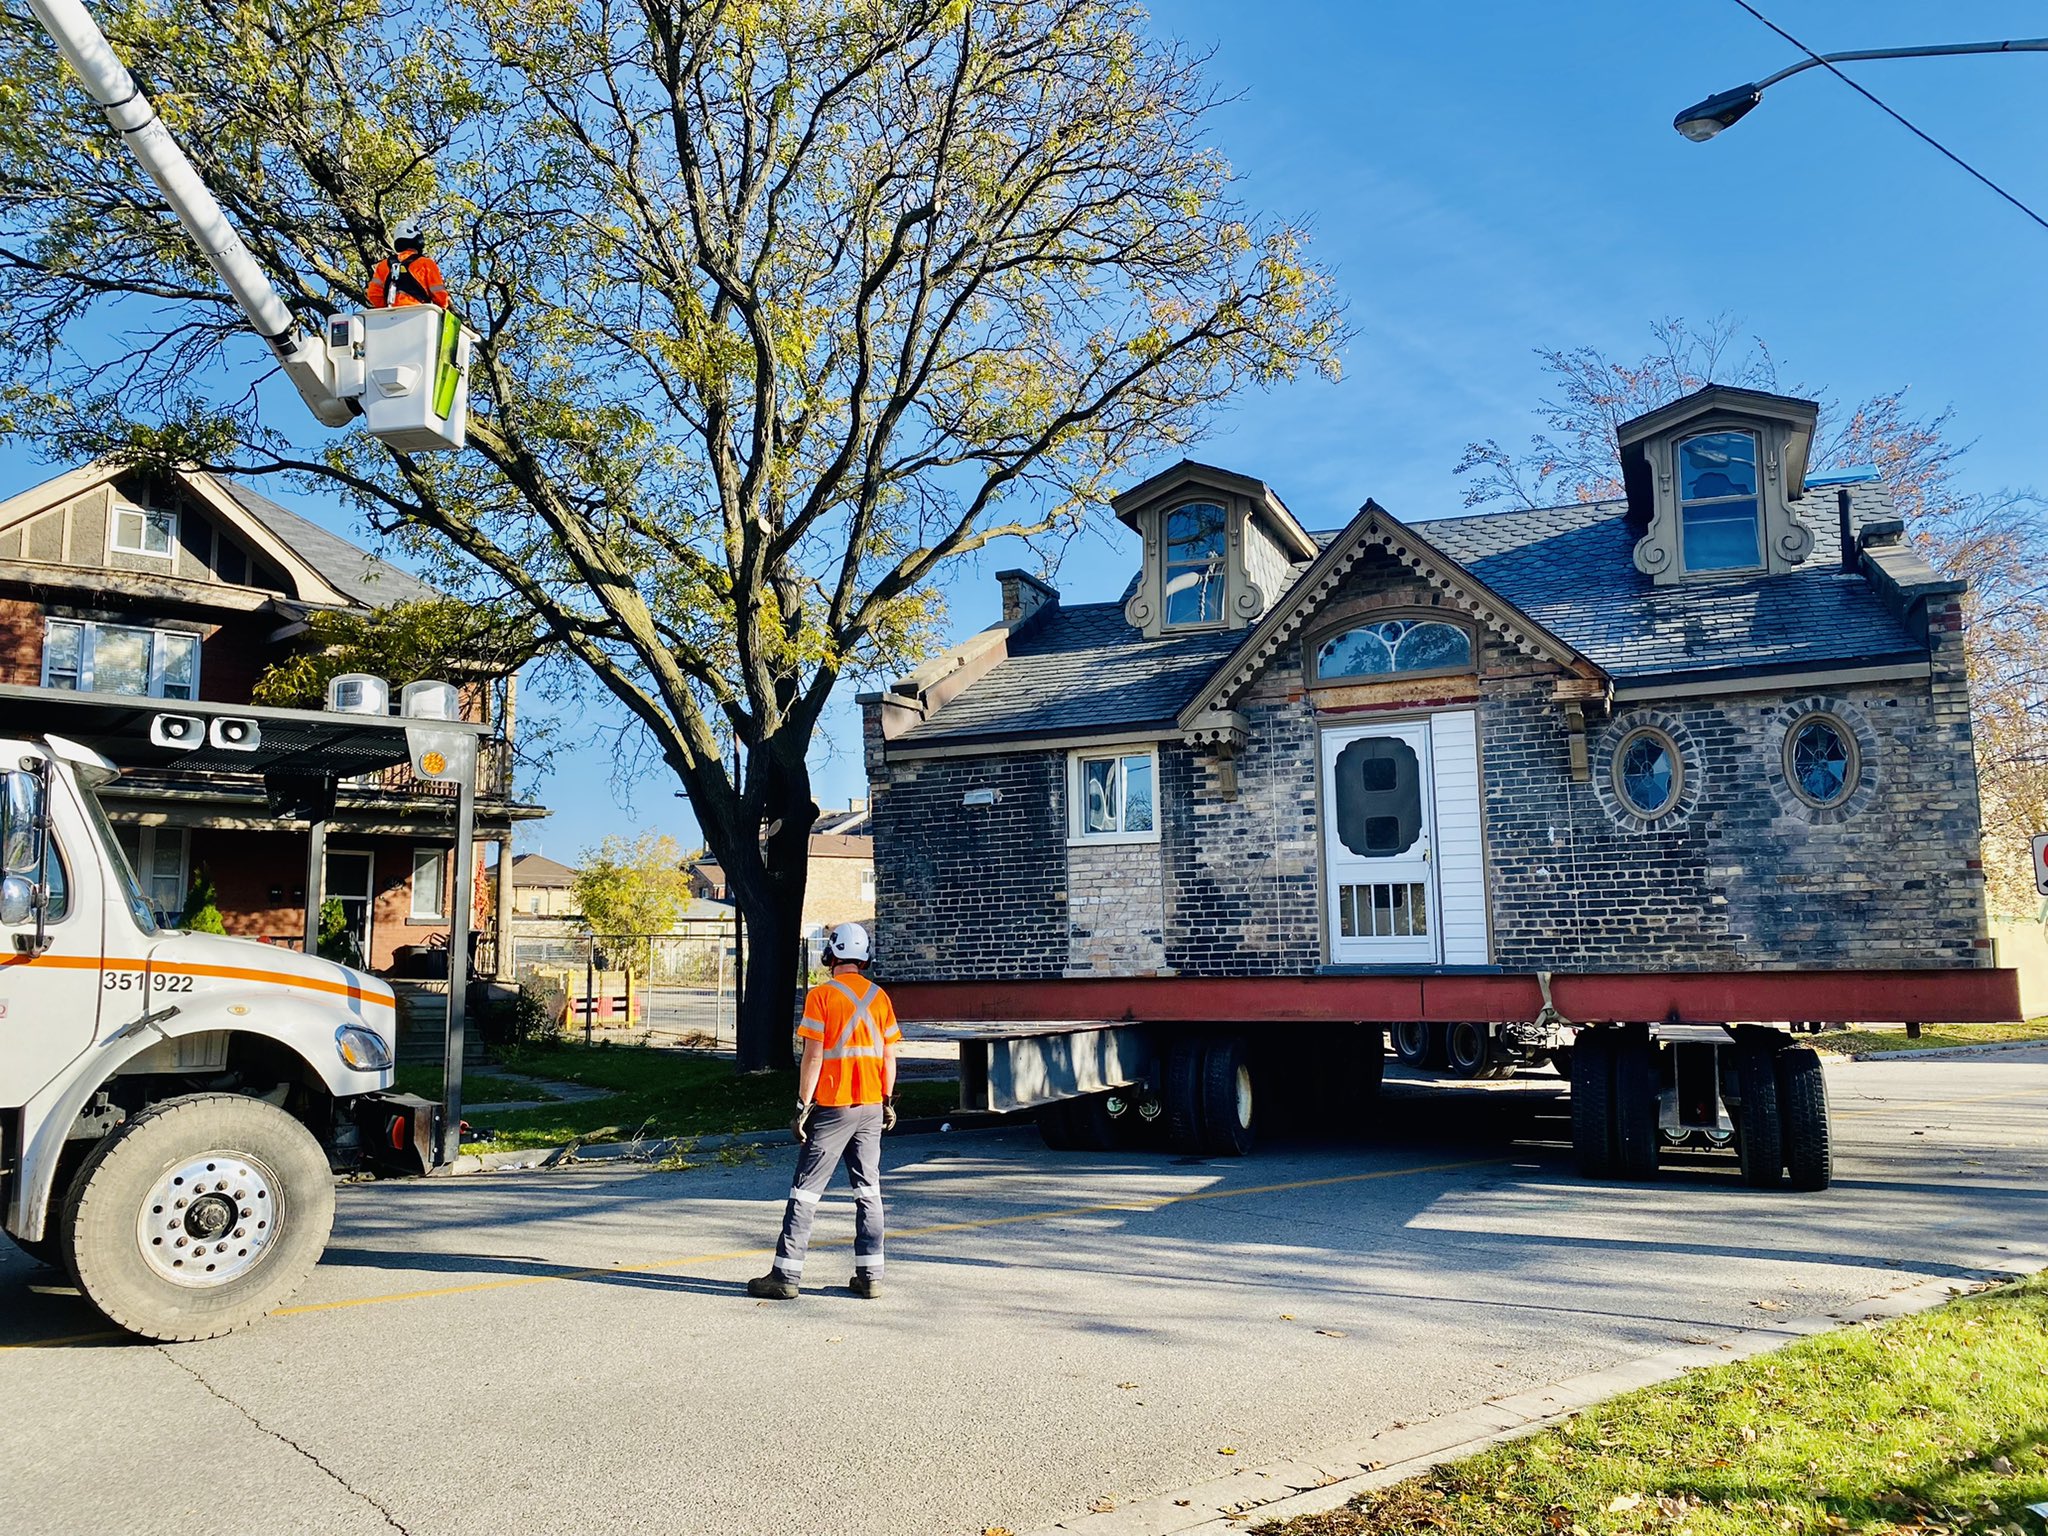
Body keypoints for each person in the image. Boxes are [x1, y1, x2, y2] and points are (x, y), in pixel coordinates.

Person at [748, 923, 900, 1301]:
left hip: (833, 1107)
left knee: (806, 1192)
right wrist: (886, 1100)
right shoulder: (880, 997)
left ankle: (785, 1275)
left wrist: (803, 1104)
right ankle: (871, 1276)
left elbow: (813, 1056)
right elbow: (889, 1055)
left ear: (830, 955)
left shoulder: (821, 996)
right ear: (865, 958)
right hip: (870, 1107)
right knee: (868, 1190)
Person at [365, 224, 450, 309]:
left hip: (391, 317)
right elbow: (440, 295)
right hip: (420, 314)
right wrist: (442, 307)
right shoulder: (426, 264)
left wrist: (387, 309)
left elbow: (373, 294)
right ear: (418, 239)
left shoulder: (383, 265)